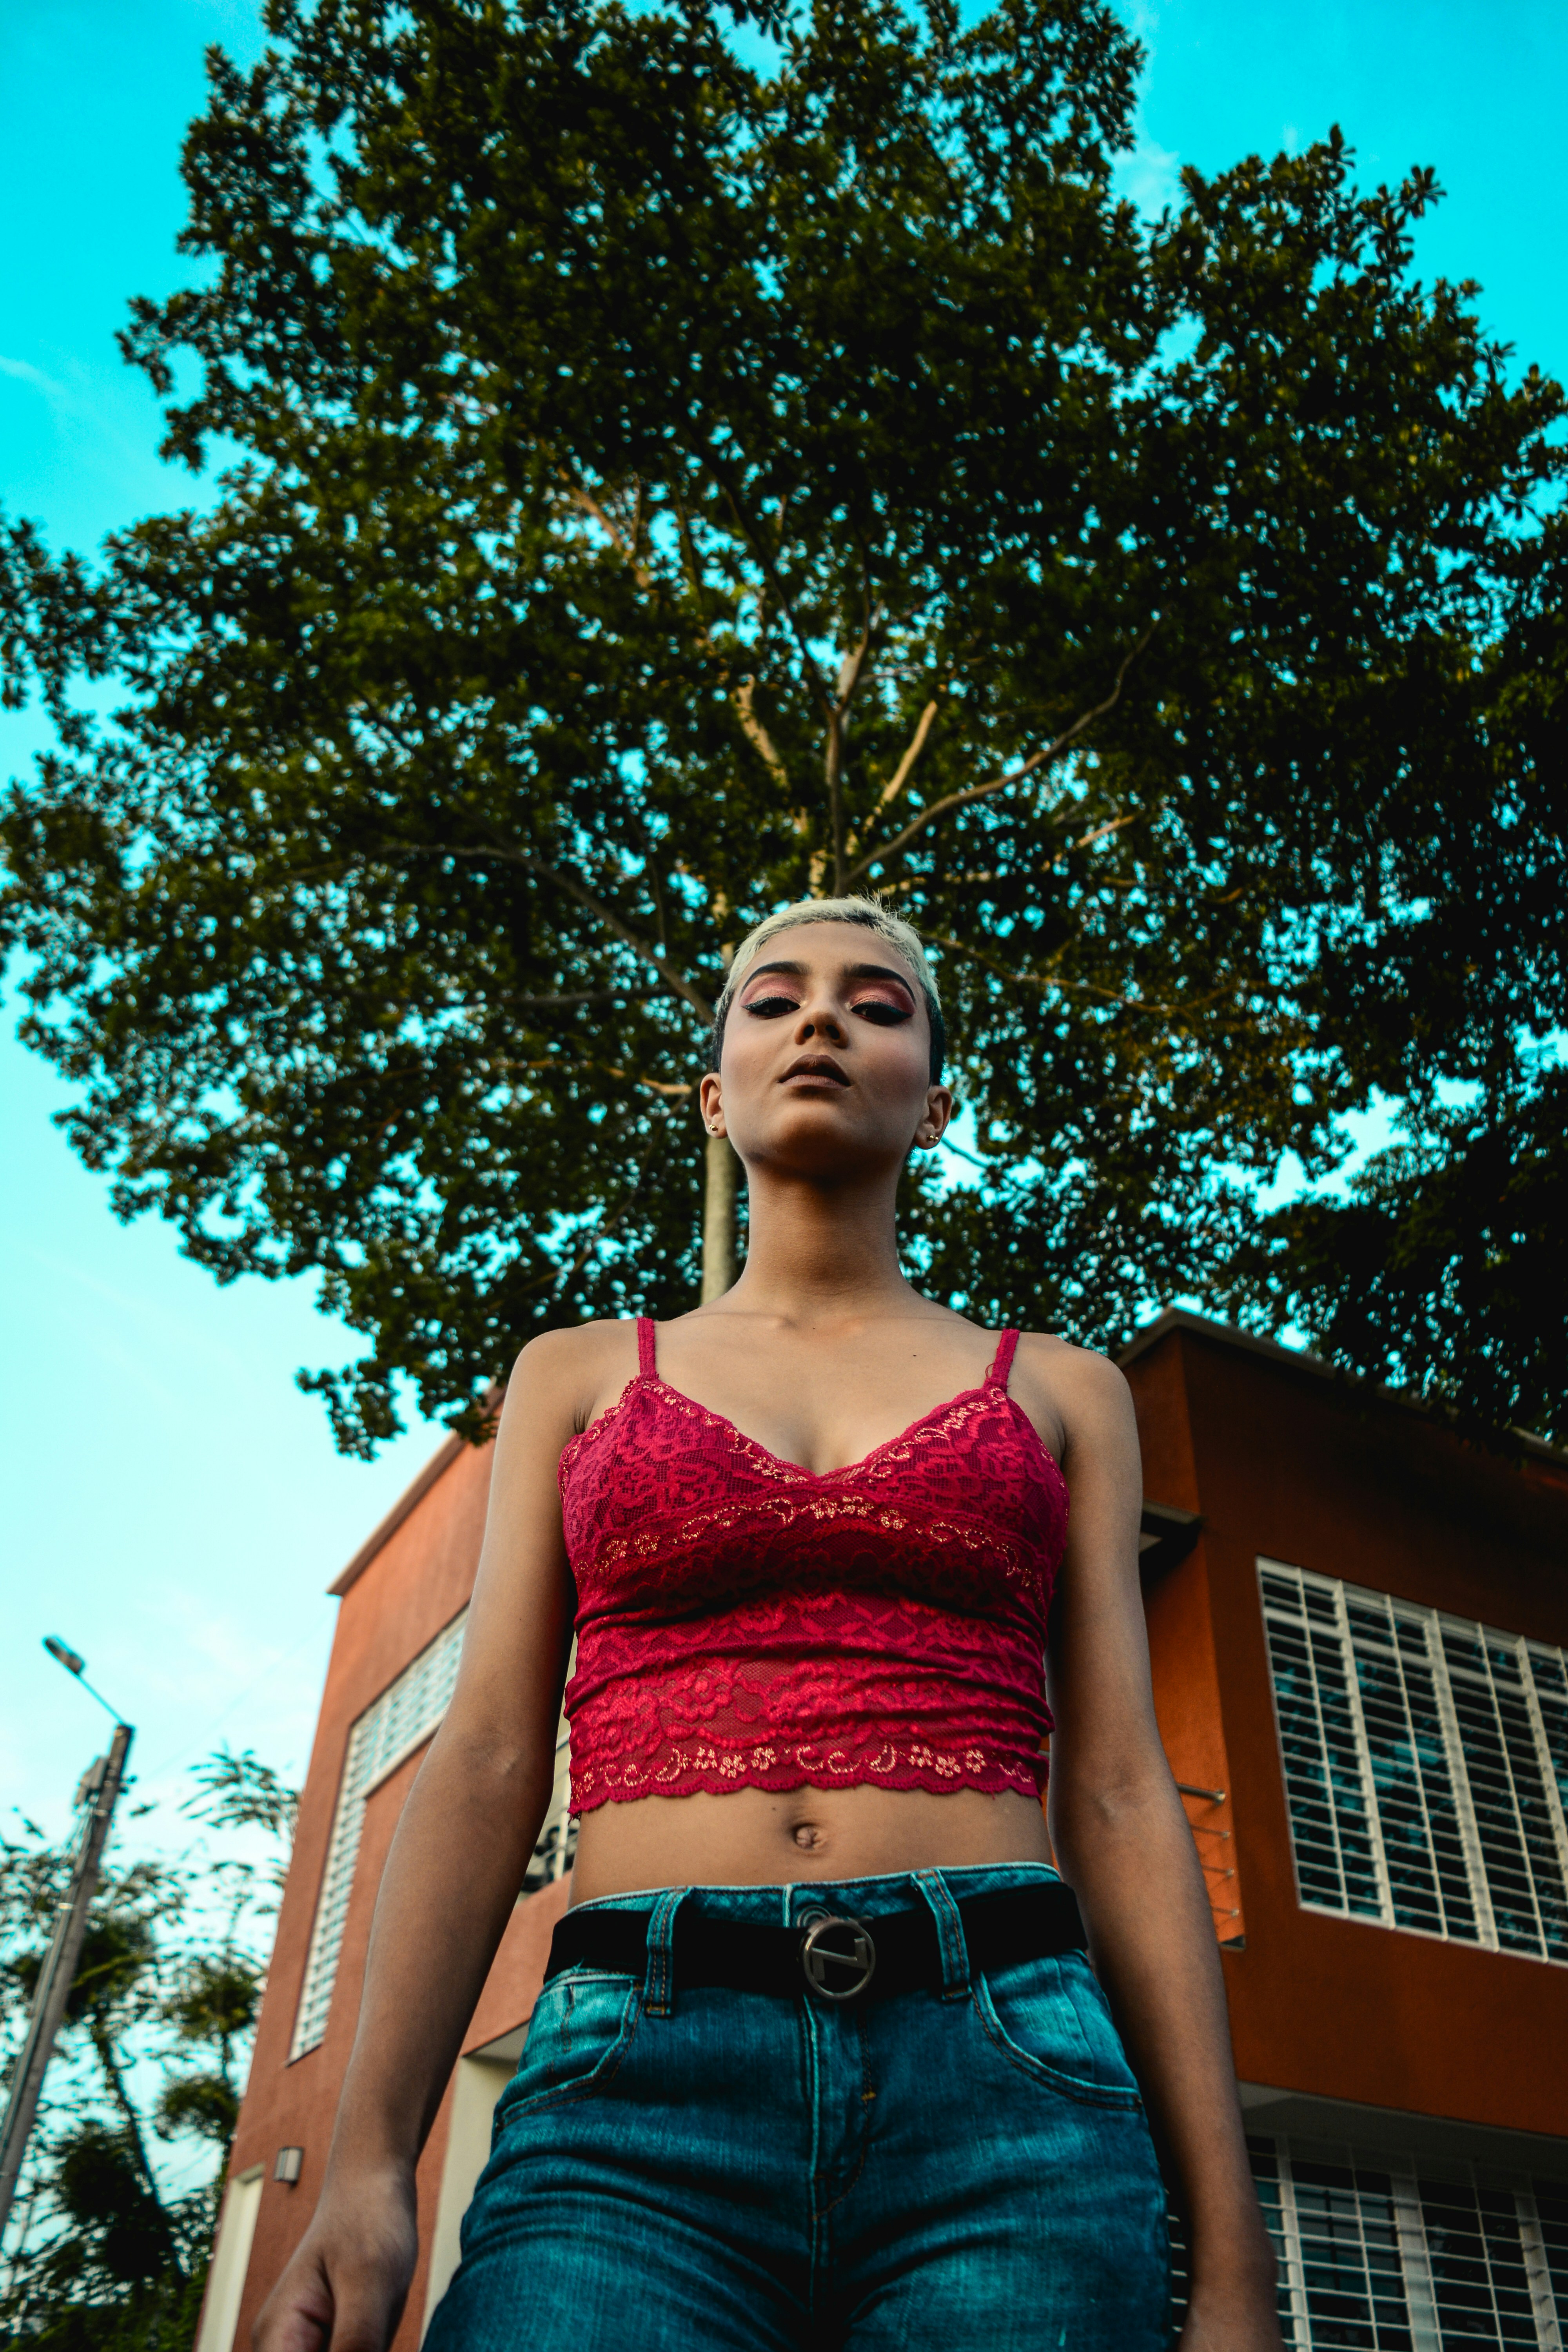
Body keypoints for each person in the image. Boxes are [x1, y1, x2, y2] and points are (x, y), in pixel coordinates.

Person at [257, 897, 1282, 2352]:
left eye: (878, 1003)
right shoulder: (578, 1372)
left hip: (1010, 2077)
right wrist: (366, 2162)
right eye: (774, 999)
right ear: (712, 1090)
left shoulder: (1065, 1388)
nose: (820, 1021)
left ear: (935, 1101)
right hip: (631, 2093)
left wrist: (1230, 2256)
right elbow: (488, 1757)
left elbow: (1118, 1788)